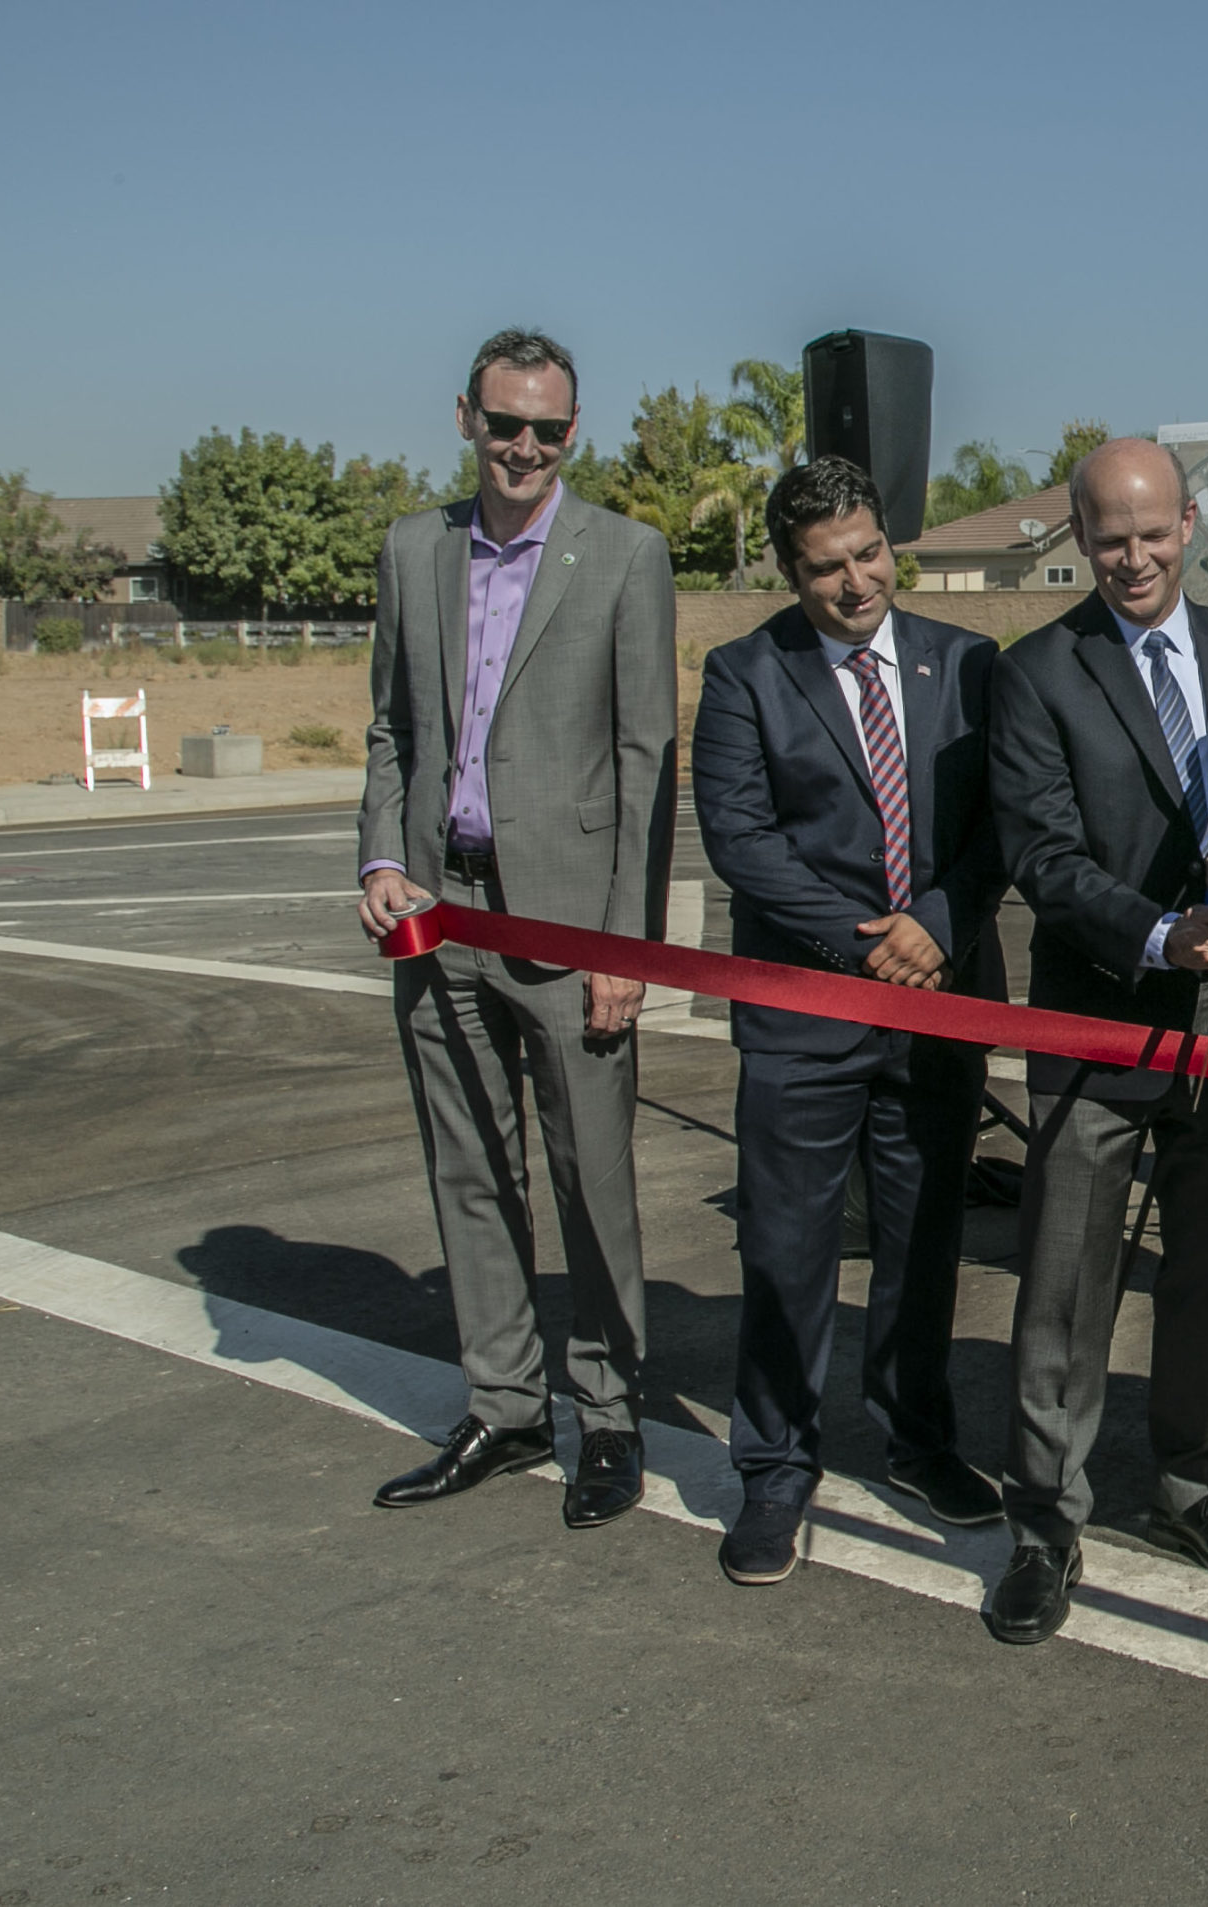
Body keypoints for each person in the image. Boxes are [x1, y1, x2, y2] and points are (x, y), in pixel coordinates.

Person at [981, 436, 1208, 1645]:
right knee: (1065, 1285)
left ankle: (1192, 1485)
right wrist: (1153, 934)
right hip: (1099, 1019)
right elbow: (1040, 849)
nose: (1132, 557)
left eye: (1151, 531)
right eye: (1107, 537)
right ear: (1077, 538)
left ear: (1190, 523)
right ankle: (1043, 1517)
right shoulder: (1037, 671)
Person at [356, 328, 677, 1529]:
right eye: (504, 424)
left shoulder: (626, 556)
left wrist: (623, 948)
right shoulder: (412, 547)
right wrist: (384, 856)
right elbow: (392, 729)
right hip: (441, 914)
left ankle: (605, 1416)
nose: (524, 447)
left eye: (547, 428)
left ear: (573, 432)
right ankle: (501, 1400)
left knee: (591, 1179)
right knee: (471, 1170)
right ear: (465, 418)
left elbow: (648, 760)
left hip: (570, 921)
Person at [689, 457, 1010, 1586]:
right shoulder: (742, 675)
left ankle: (918, 1440)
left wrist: (935, 920)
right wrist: (868, 939)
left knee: (925, 1242)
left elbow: (1003, 827)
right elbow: (742, 842)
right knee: (786, 1245)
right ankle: (775, 1467)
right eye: (827, 567)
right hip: (805, 1009)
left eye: (869, 552)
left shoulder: (968, 663)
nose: (856, 581)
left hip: (940, 1002)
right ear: (790, 570)